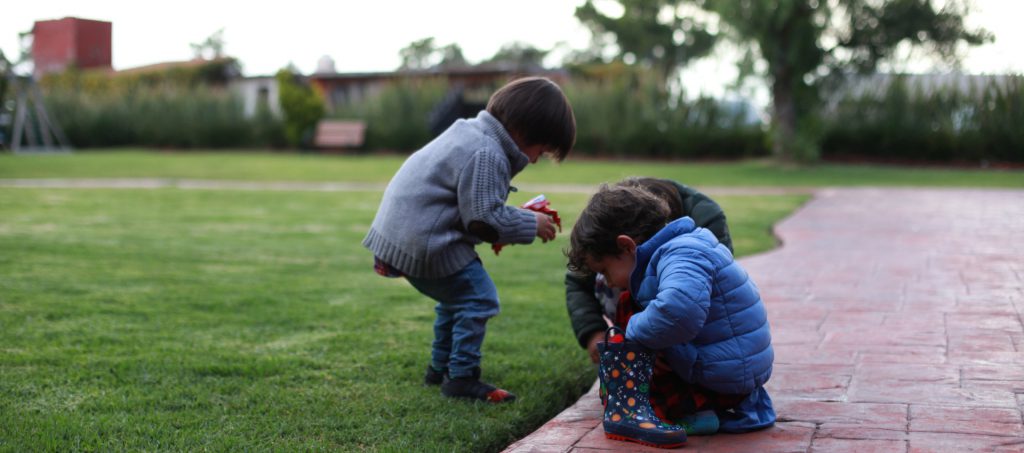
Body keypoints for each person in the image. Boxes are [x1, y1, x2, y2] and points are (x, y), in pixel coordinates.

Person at [363, 76, 576, 403]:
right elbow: (483, 220)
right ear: (524, 131)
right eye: (540, 150)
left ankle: (440, 368)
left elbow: (475, 208)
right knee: (479, 298)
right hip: (425, 242)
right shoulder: (487, 152)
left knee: (456, 298)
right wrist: (530, 223)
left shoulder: (469, 131)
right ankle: (461, 377)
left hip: (402, 236)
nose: (533, 160)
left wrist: (509, 217)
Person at [566, 184, 775, 439]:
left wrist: (631, 330)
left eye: (605, 271)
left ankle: (672, 413)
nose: (607, 282)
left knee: (628, 309)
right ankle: (695, 406)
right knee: (639, 312)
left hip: (724, 376)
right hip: (733, 372)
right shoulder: (683, 247)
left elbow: (679, 313)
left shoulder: (682, 254)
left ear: (626, 247)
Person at [566, 177, 733, 366]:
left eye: (605, 272)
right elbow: (578, 281)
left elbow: (682, 310)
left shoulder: (688, 249)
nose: (609, 282)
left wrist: (632, 337)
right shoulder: (613, 227)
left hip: (720, 368)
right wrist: (593, 332)